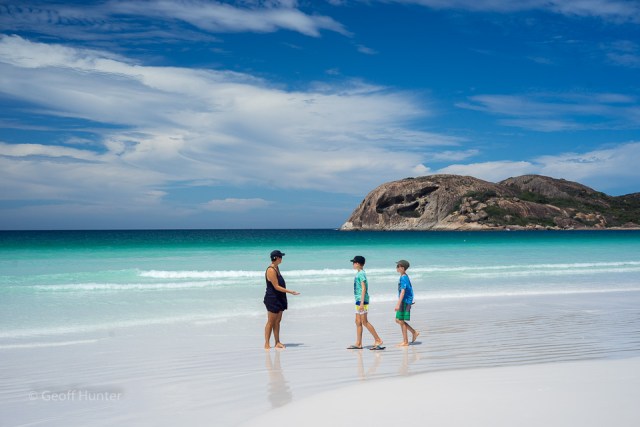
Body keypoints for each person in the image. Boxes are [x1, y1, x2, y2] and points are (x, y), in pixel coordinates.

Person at [264, 250, 299, 350]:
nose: (281, 259)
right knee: (270, 321)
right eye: (280, 257)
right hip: (272, 299)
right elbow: (276, 286)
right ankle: (266, 343)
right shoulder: (271, 270)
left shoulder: (277, 268)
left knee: (277, 321)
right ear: (276, 258)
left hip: (280, 298)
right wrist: (290, 291)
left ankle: (277, 342)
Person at [348, 255, 384, 350]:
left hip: (362, 300)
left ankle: (378, 339)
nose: (353, 264)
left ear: (358, 264)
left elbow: (364, 288)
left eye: (354, 262)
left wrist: (361, 303)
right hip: (359, 300)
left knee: (364, 321)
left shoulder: (361, 274)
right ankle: (358, 343)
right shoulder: (359, 273)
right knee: (357, 321)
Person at [395, 259, 419, 346]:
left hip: (404, 301)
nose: (396, 268)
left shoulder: (404, 277)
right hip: (406, 300)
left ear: (402, 268)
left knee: (399, 320)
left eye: (398, 266)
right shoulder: (403, 276)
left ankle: (406, 341)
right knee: (399, 320)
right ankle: (413, 332)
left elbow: (403, 291)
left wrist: (398, 303)